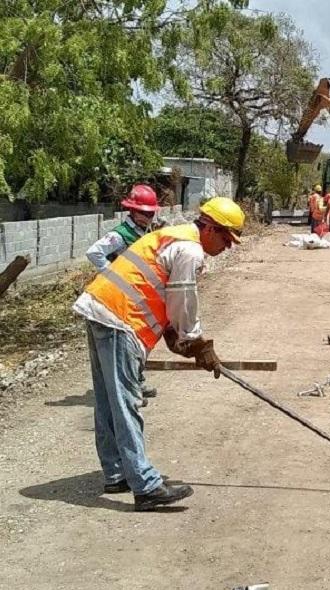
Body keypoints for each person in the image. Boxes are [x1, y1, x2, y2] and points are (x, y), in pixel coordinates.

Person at [71, 197, 245, 511]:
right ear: (209, 228)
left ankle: (116, 472)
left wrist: (171, 333)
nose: (228, 246)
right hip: (119, 319)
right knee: (125, 402)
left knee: (109, 401)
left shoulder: (173, 237)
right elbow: (183, 301)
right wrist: (196, 343)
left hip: (103, 309)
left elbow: (159, 290)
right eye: (226, 238)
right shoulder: (190, 250)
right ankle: (146, 486)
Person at [85, 184, 163, 401]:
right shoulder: (120, 234)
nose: (147, 217)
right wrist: (112, 275)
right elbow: (94, 252)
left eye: (150, 213)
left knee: (141, 341)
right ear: (132, 211)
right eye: (144, 213)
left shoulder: (144, 232)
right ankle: (130, 390)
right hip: (122, 299)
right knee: (128, 343)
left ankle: (137, 381)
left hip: (139, 295)